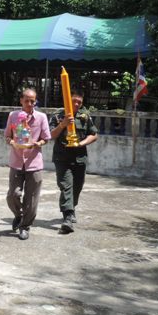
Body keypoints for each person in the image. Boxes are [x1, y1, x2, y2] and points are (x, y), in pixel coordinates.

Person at [4, 88, 51, 241]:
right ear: (21, 101)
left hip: (34, 162)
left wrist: (38, 143)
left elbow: (46, 138)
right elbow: (7, 136)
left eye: (32, 101)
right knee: (13, 195)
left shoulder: (41, 117)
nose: (30, 104)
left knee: (31, 198)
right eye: (27, 101)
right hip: (16, 161)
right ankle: (18, 215)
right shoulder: (13, 116)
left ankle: (25, 226)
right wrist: (13, 143)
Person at [49, 88, 98, 234]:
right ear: (67, 100)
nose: (76, 104)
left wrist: (81, 143)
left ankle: (71, 207)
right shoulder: (58, 115)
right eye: (73, 101)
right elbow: (51, 135)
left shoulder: (85, 116)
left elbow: (94, 134)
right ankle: (68, 218)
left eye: (79, 102)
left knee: (77, 187)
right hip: (62, 157)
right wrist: (62, 124)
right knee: (66, 186)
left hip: (79, 158)